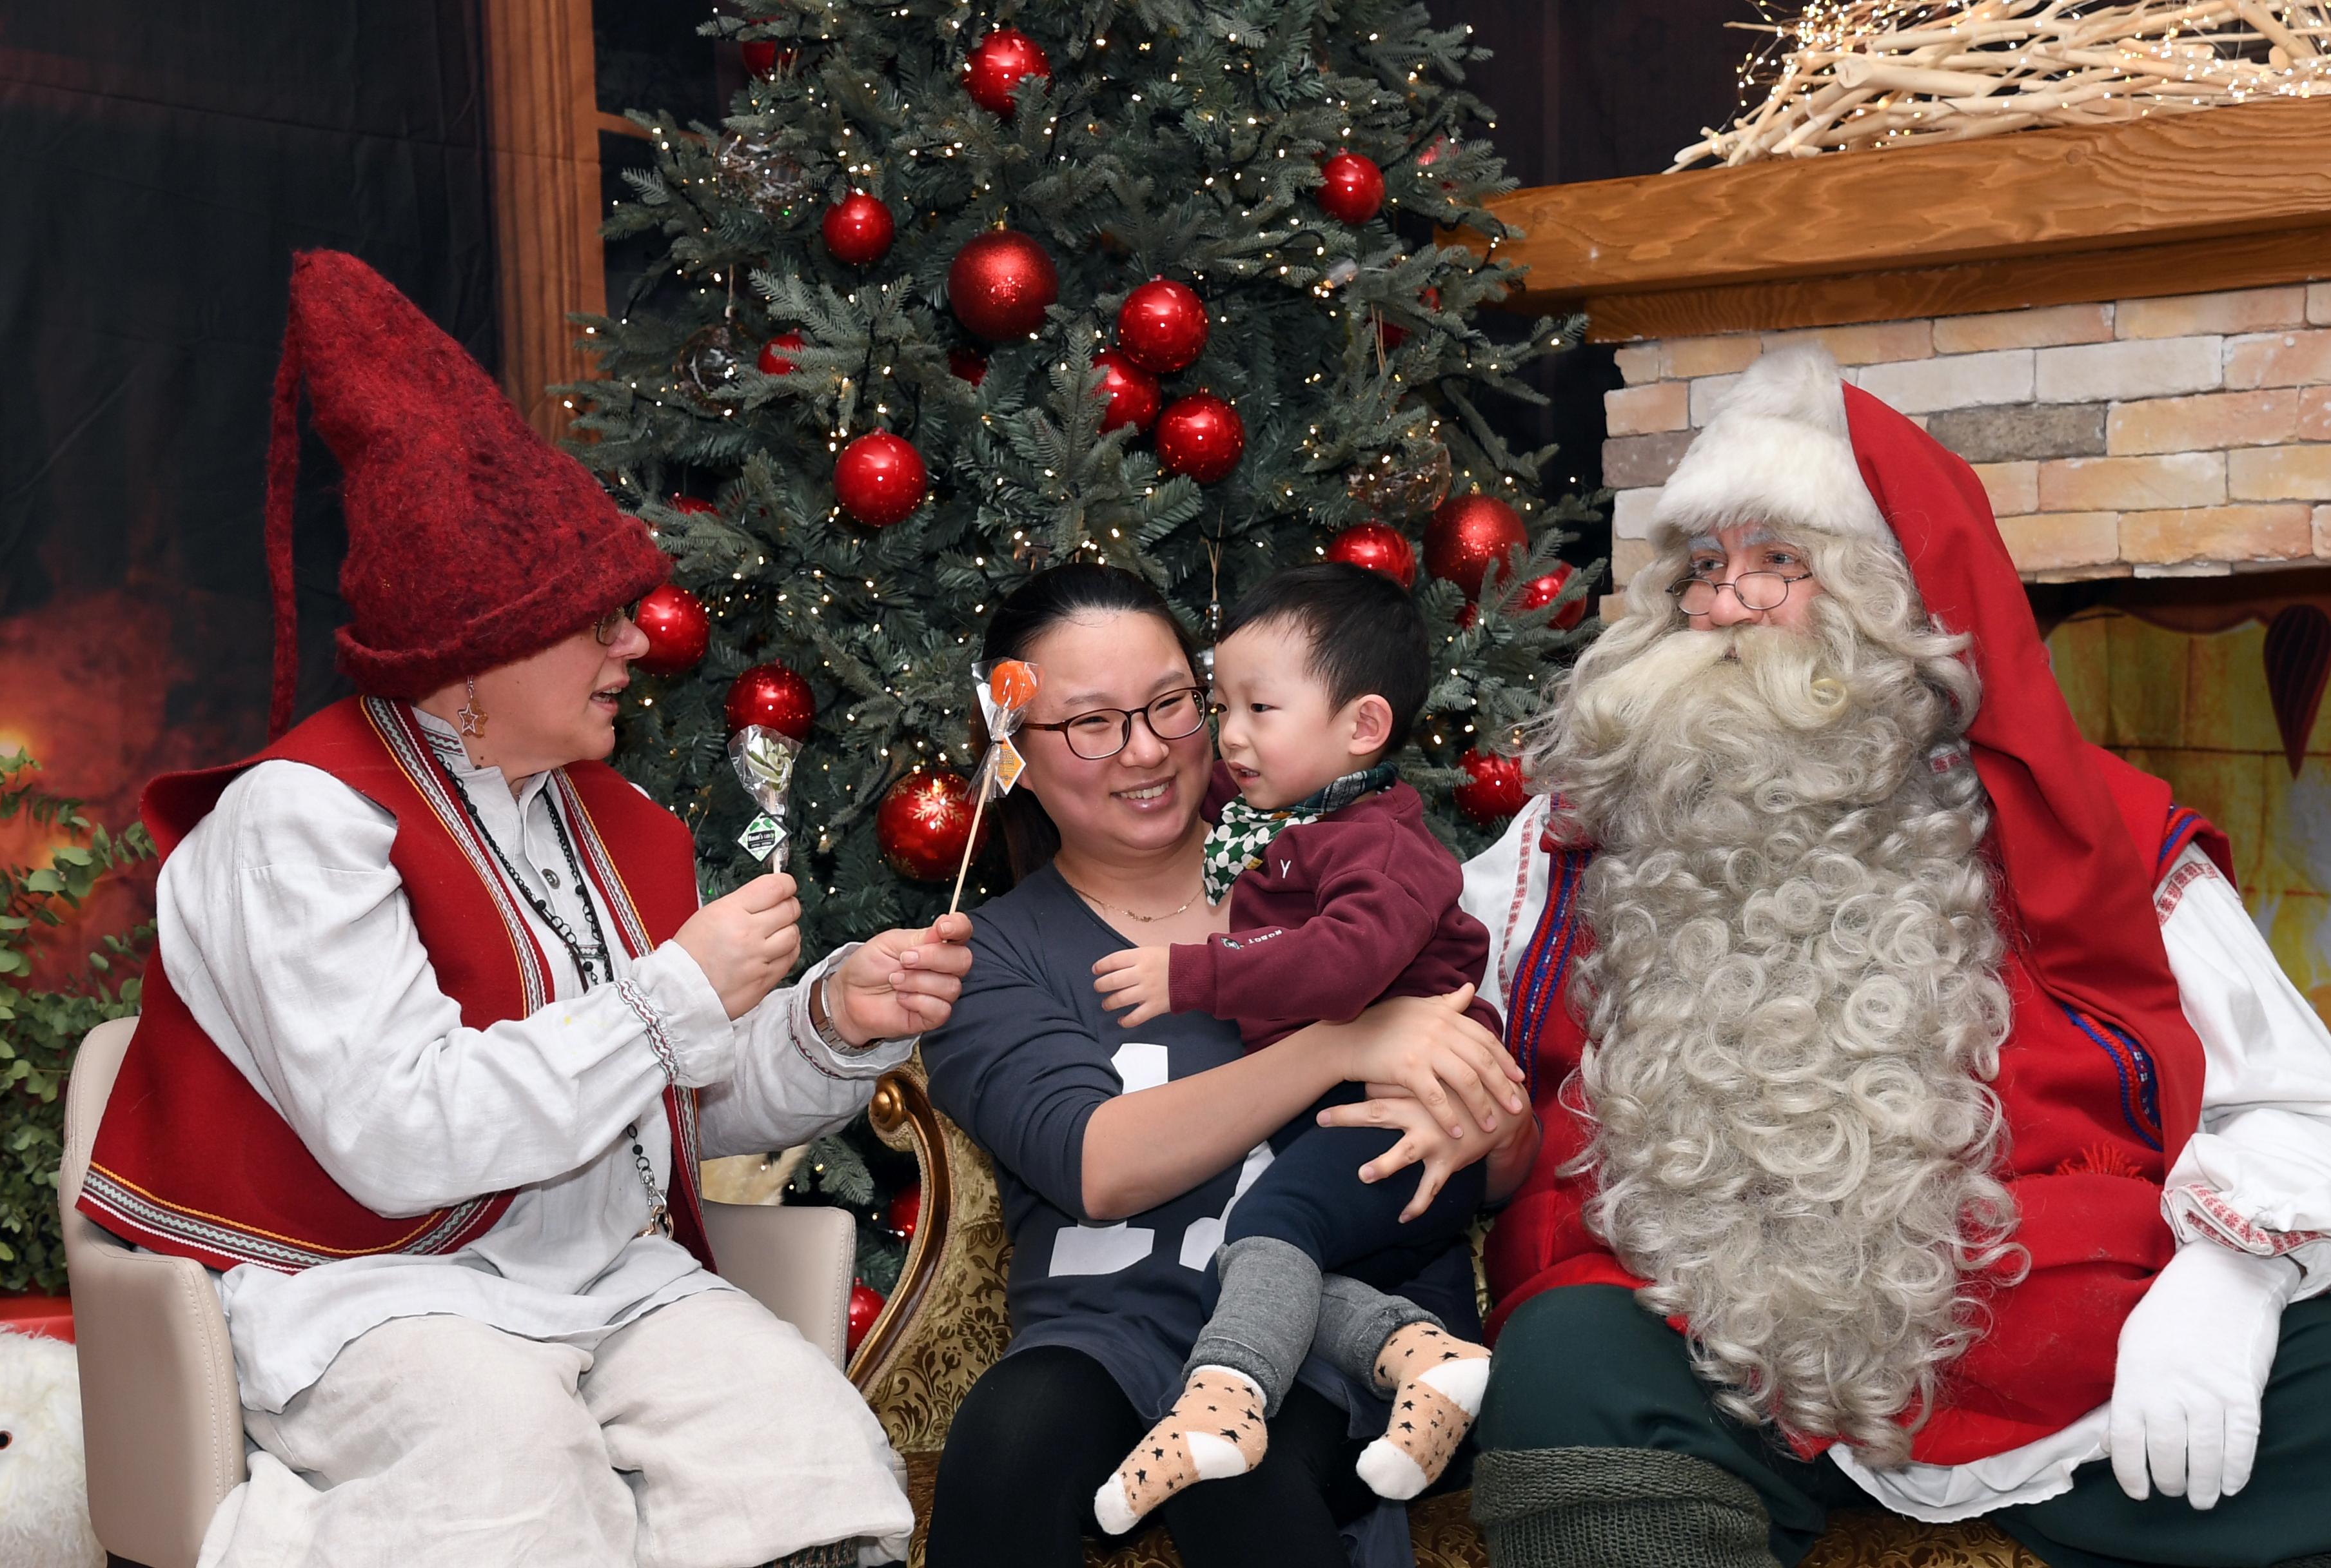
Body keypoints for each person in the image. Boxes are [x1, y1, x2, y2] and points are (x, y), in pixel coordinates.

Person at [77, 251, 972, 1568]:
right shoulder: (300, 824)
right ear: (472, 653)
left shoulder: (609, 822)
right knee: (511, 1481)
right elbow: (400, 1133)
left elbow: (678, 1105)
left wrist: (831, 1023)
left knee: (811, 1468)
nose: (640, 640)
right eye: (598, 621)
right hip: (374, 1297)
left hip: (615, 1285)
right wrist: (672, 998)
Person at [1459, 345, 2331, 1568]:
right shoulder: (1566, 842)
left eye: (1782, 564)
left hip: (2069, 1358)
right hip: (1707, 1341)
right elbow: (1413, 999)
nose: (1727, 603)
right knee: (1565, 1373)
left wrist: (2228, 1287)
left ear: (1893, 599)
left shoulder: (2094, 832)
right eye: (1703, 569)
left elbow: (2302, 1102)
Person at [918, 563, 1538, 1568]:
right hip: (1109, 1330)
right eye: (1091, 723)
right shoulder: (986, 955)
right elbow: (1096, 1165)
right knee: (1006, 1446)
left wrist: (1493, 1123)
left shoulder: (1336, 870)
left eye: (1173, 704)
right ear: (1015, 754)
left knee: (1237, 1490)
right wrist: (1343, 1041)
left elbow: (1490, 1156)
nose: (1149, 749)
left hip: (1343, 1331)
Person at [1087, 563, 1500, 1531]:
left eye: (1258, 708)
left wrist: (1198, 970)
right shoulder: (1311, 824)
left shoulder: (1383, 843)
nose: (1228, 736)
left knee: (1268, 1226)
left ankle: (1224, 1400)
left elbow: (1345, 965)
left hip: (1412, 1109)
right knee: (1329, 1267)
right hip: (1367, 1113)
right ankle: (1433, 1370)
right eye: (1219, 703)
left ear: (1361, 729)